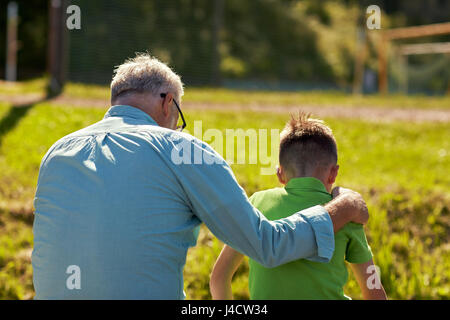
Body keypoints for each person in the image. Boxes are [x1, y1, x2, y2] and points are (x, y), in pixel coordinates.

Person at [32, 53, 369, 299]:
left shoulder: (57, 152)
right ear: (167, 103)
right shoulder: (180, 149)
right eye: (178, 114)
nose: (178, 125)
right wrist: (344, 207)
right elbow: (267, 245)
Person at [210, 113, 387, 300]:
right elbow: (373, 290)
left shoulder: (257, 204)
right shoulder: (346, 215)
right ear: (333, 173)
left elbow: (219, 277)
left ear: (280, 174)